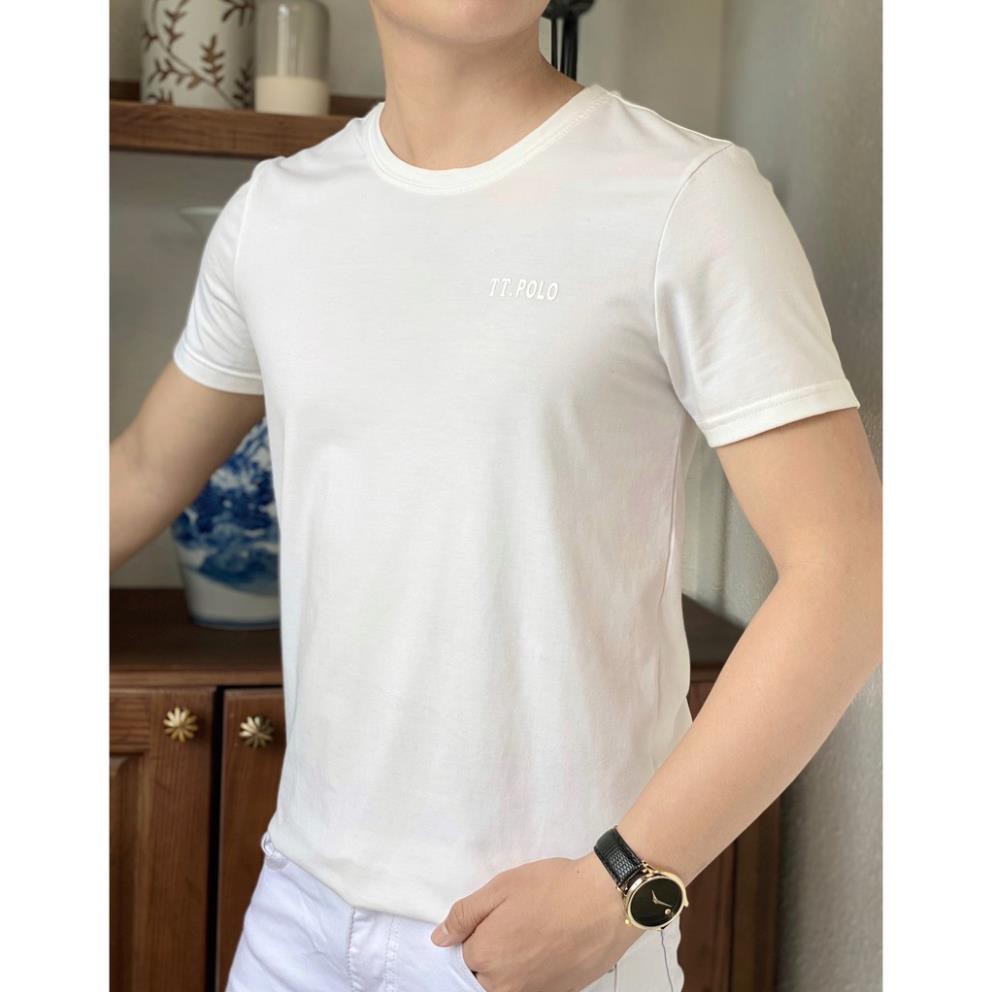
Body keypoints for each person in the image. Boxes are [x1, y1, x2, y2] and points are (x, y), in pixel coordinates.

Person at [109, 2, 883, 990]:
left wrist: (620, 889)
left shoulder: (685, 194)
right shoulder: (276, 213)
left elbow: (849, 572)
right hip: (297, 907)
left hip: (540, 926)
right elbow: (141, 469)